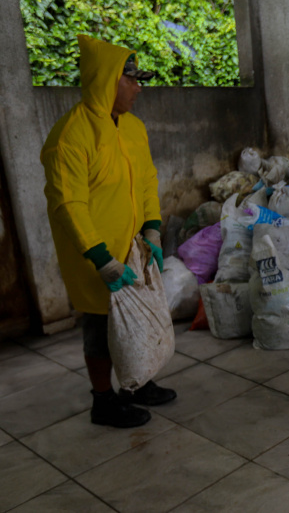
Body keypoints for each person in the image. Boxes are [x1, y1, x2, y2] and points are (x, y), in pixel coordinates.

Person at [41, 35, 177, 428]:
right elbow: (69, 204)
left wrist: (152, 228)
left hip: (135, 246)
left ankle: (137, 382)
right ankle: (103, 401)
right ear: (106, 80)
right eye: (131, 79)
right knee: (101, 326)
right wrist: (100, 258)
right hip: (96, 253)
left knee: (140, 318)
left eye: (139, 79)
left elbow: (147, 180)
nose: (139, 87)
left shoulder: (133, 128)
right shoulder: (70, 136)